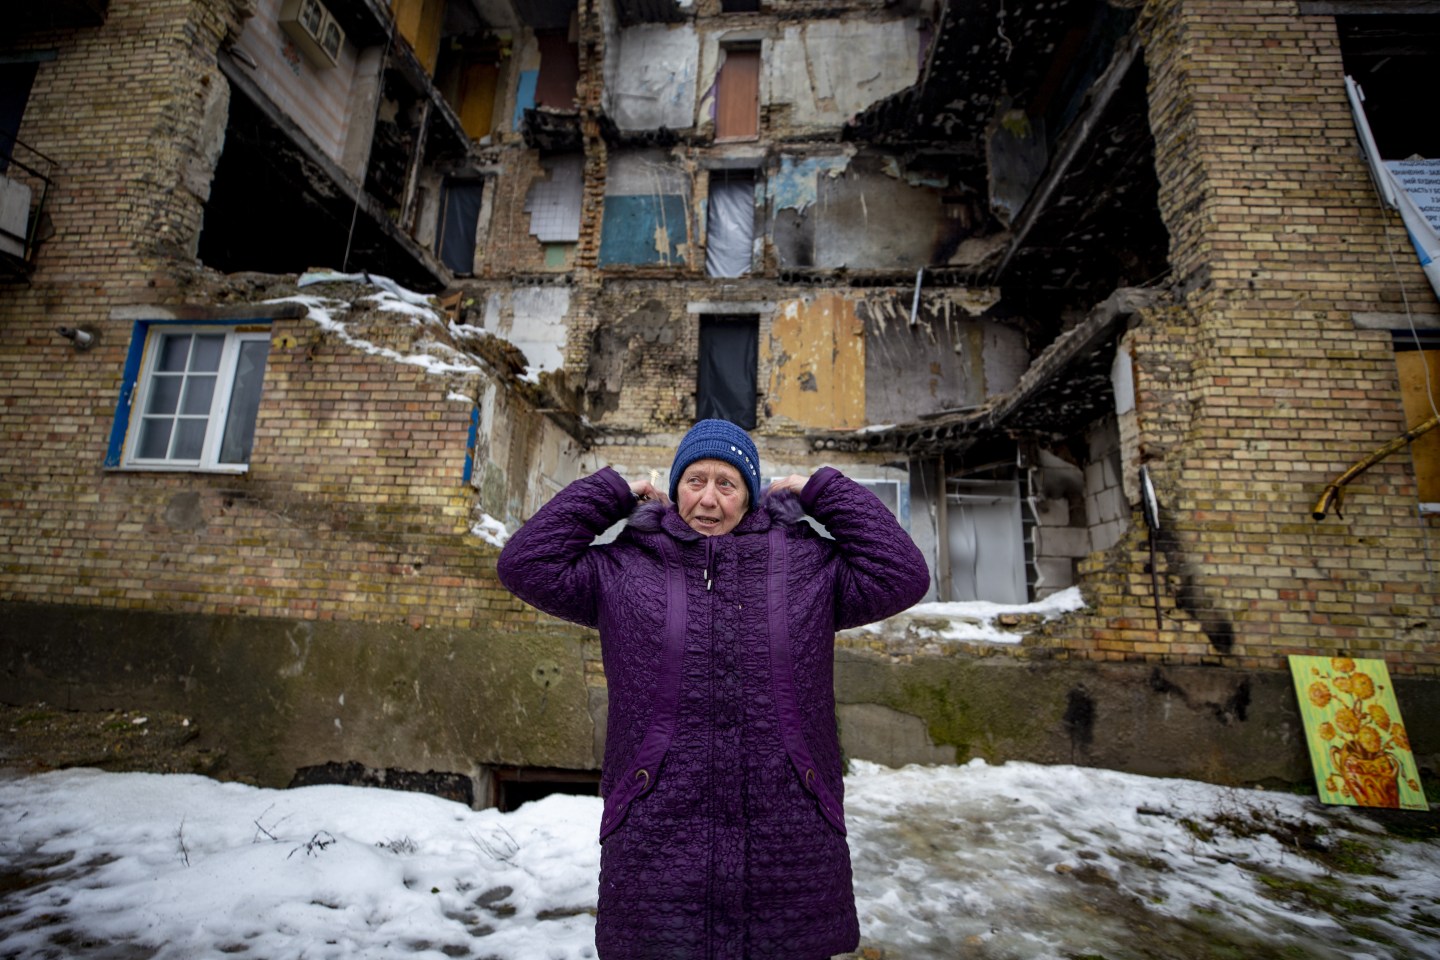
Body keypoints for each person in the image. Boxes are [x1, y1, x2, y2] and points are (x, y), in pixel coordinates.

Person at [497, 418, 929, 960]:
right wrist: (609, 494)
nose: (708, 499)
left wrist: (824, 491)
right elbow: (523, 563)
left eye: (726, 484)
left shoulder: (806, 565)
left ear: (749, 495)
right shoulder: (624, 568)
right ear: (675, 487)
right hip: (658, 827)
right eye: (694, 480)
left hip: (788, 830)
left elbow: (904, 574)